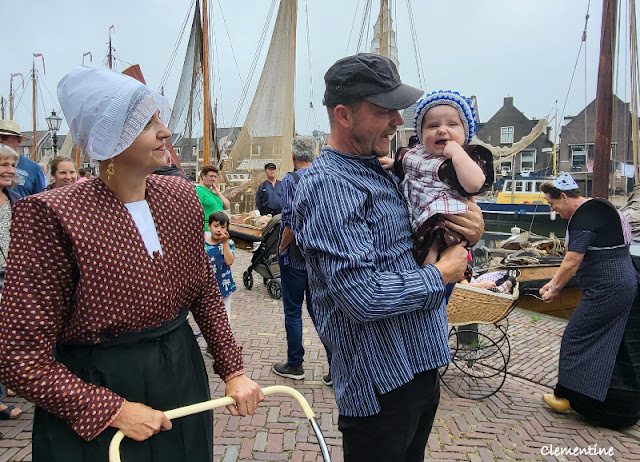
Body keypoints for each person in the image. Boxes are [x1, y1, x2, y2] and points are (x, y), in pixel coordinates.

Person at [0, 66, 263, 462]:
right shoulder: (52, 214)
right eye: (146, 124)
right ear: (108, 139)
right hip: (97, 385)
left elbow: (204, 292)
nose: (165, 131)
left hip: (181, 372)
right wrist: (111, 410)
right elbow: (20, 357)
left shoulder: (179, 196)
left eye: (160, 119)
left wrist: (233, 370)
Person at [292, 53, 484, 462]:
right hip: (382, 382)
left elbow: (421, 231)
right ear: (343, 115)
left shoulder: (380, 170)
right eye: (384, 111)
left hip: (422, 360)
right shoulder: (329, 186)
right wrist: (441, 275)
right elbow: (361, 297)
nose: (399, 121)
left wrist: (468, 233)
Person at [539, 173, 640, 428]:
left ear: (564, 196)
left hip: (608, 289)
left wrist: (554, 287)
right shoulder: (601, 205)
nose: (553, 211)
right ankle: (606, 401)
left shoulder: (583, 217)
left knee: (576, 336)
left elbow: (573, 259)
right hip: (622, 283)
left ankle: (568, 397)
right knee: (610, 343)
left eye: (552, 205)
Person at [381, 90, 493, 265]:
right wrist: (392, 163)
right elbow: (403, 165)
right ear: (421, 133)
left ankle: (437, 275)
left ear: (465, 133)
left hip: (445, 217)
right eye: (433, 126)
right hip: (419, 216)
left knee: (435, 251)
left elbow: (474, 184)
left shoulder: (464, 158)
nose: (442, 130)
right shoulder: (415, 154)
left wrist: (456, 154)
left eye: (452, 124)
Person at [272, 135, 332, 386]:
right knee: (321, 313)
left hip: (295, 259)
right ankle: (336, 366)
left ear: (293, 156)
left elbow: (290, 223)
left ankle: (295, 364)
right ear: (315, 155)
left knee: (293, 312)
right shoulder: (325, 177)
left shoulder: (291, 180)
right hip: (319, 259)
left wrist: (280, 249)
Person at [0, 143, 23, 420]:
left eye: (12, 165)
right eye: (3, 164)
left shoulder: (16, 199)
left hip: (13, 274)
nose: (9, 169)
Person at [0, 119, 46, 198]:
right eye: (4, 165)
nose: (0, 140)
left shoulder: (33, 168)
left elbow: (41, 199)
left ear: (19, 140)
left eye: (4, 137)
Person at [205, 211, 236, 318]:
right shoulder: (203, 245)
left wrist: (225, 242)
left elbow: (229, 261)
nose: (219, 230)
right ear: (209, 226)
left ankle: (225, 334)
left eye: (223, 227)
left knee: (225, 315)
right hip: (207, 288)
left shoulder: (229, 243)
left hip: (224, 285)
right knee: (209, 316)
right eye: (216, 226)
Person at [196, 164, 230, 231]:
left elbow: (227, 206)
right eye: (211, 176)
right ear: (203, 176)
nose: (214, 179)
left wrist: (218, 193)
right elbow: (196, 212)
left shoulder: (213, 192)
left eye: (215, 177)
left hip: (220, 228)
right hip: (208, 229)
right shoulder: (198, 190)